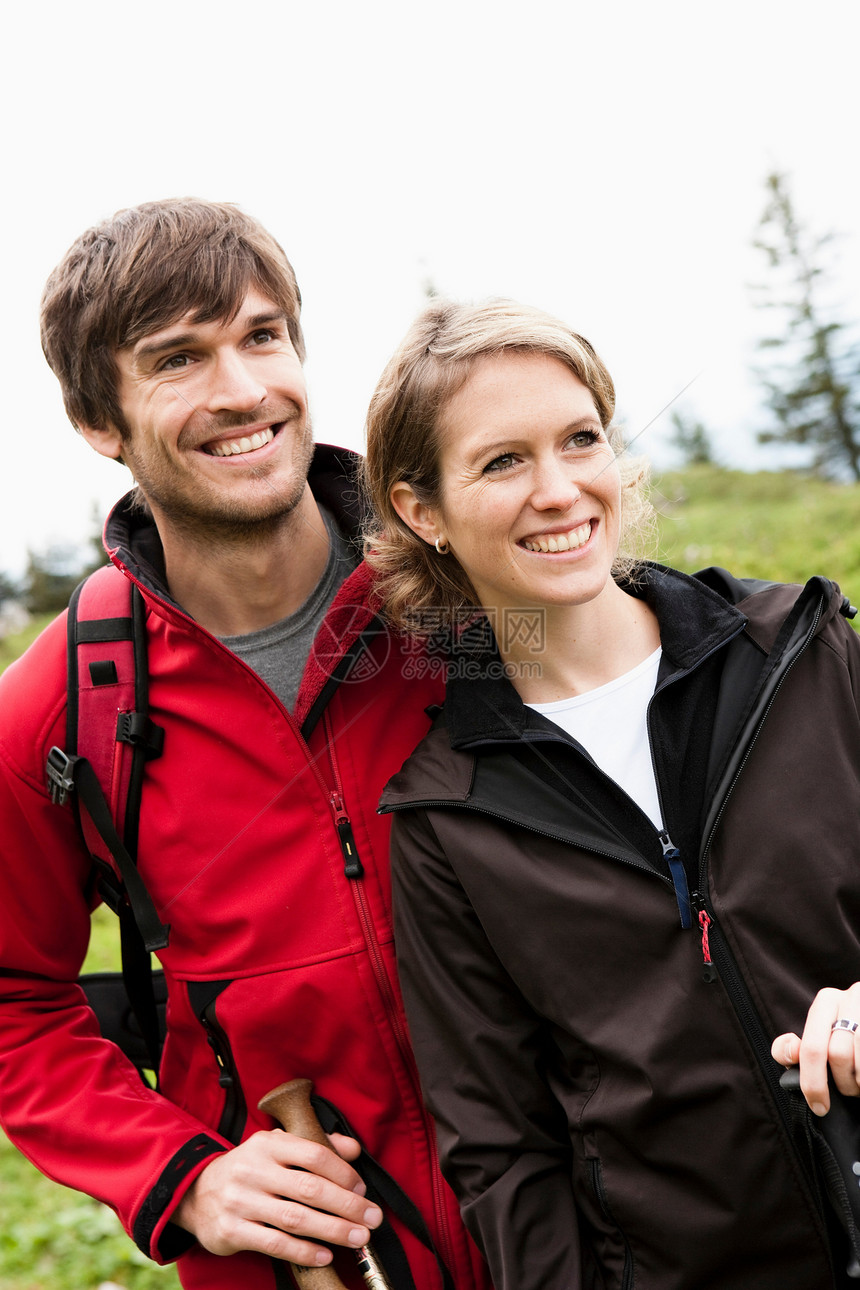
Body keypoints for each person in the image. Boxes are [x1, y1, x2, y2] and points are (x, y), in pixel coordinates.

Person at [0, 201, 491, 1290]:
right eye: (177, 358)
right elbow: (10, 1002)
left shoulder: (470, 594)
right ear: (98, 420)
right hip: (309, 1269)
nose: (241, 390)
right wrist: (177, 1176)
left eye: (261, 336)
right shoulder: (57, 705)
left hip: (574, 1231)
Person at [360, 296, 860, 1290]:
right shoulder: (444, 818)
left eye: (578, 438)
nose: (558, 489)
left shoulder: (804, 657)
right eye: (501, 461)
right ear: (424, 512)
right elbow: (501, 1152)